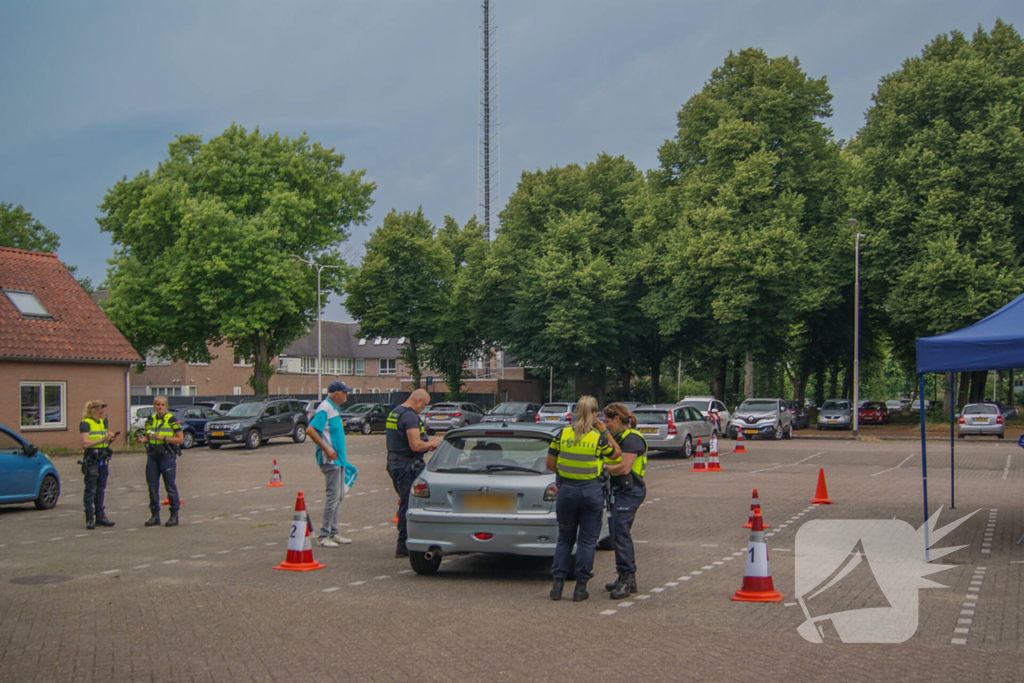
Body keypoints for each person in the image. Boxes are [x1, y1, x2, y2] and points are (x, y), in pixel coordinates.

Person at [546, 395, 620, 602]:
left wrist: (567, 471)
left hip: (567, 491)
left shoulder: (562, 435)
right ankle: (580, 588)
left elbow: (550, 464)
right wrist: (605, 430)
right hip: (590, 492)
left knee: (564, 539)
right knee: (587, 541)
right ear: (595, 414)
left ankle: (557, 586)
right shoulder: (598, 438)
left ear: (577, 412)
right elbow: (617, 453)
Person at [600, 402, 649, 599]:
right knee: (616, 532)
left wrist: (604, 468)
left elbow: (624, 468)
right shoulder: (620, 437)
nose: (606, 424)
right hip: (619, 490)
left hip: (630, 490)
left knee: (620, 534)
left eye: (608, 421)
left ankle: (626, 578)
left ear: (617, 419)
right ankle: (626, 578)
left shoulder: (633, 439)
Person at [385, 388, 441, 558]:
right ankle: (404, 545)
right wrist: (432, 443)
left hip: (395, 463)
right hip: (406, 465)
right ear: (417, 401)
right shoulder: (409, 416)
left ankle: (406, 542)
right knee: (409, 504)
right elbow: (416, 445)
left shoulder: (394, 413)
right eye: (423, 406)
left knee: (405, 501)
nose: (422, 409)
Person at [307, 380, 356, 548]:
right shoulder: (325, 408)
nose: (347, 395)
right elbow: (311, 430)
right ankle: (324, 535)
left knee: (339, 496)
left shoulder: (334, 408)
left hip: (339, 460)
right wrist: (326, 449)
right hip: (331, 460)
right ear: (337, 394)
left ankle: (333, 532)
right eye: (345, 392)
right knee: (333, 497)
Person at [138, 396, 183, 527]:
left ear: (166, 406)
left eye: (162, 405)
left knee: (170, 485)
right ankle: (154, 515)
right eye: (157, 404)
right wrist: (142, 440)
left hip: (167, 454)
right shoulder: (151, 419)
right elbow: (147, 437)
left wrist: (163, 438)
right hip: (153, 455)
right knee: (152, 485)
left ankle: (174, 515)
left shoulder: (172, 420)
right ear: (154, 406)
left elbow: (180, 440)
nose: (160, 407)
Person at [79, 399, 118, 530]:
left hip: (103, 458)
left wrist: (110, 440)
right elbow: (85, 444)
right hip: (92, 459)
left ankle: (100, 516)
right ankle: (89, 518)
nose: (102, 414)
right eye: (100, 411)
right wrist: (103, 438)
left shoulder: (101, 423)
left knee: (101, 488)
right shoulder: (85, 423)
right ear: (92, 410)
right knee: (91, 489)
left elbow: (103, 442)